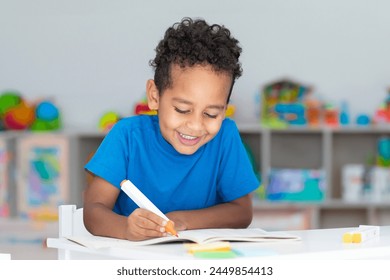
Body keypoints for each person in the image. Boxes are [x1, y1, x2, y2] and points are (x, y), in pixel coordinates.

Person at [83, 17, 260, 241]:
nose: (195, 126)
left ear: (225, 109)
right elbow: (93, 212)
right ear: (155, 96)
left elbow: (242, 212)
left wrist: (183, 220)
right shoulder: (127, 136)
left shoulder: (225, 136)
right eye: (182, 109)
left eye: (211, 114)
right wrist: (127, 228)